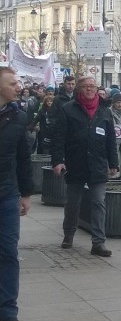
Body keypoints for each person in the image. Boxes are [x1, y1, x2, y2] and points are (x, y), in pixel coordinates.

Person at [51, 76, 118, 257]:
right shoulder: (68, 109)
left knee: (98, 202)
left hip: (97, 163)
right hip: (76, 163)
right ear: (79, 89)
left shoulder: (104, 111)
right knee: (73, 202)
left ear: (97, 89)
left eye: (92, 87)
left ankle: (98, 242)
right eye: (85, 87)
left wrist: (113, 163)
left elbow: (111, 139)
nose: (89, 90)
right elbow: (59, 138)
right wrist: (57, 161)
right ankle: (69, 234)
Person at [0, 67, 33, 321]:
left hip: (7, 196)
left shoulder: (19, 117)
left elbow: (23, 158)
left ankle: (8, 311)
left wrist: (26, 193)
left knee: (9, 254)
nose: (18, 86)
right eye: (12, 83)